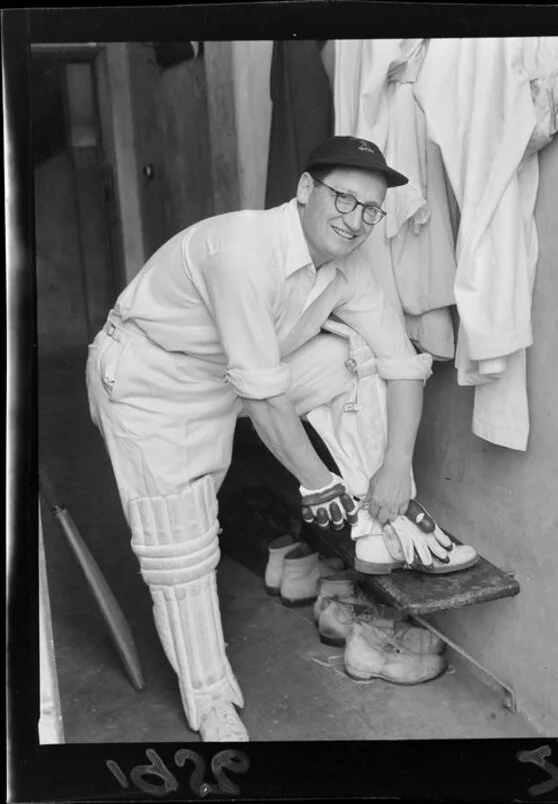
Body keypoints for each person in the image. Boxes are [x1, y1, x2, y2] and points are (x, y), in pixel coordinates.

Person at [86, 136, 457, 742]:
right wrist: (317, 484)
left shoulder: (350, 266)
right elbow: (262, 397)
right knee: (182, 551)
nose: (356, 219)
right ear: (306, 191)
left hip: (231, 377)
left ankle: (381, 517)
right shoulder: (239, 251)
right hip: (153, 382)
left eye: (371, 209)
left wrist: (394, 467)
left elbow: (401, 364)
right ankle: (211, 704)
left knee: (353, 352)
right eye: (343, 198)